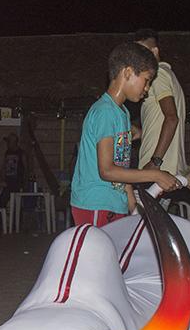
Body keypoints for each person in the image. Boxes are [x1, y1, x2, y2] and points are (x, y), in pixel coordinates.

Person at [70, 42, 179, 227]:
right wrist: (156, 175)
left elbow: (122, 168)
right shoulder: (105, 112)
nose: (147, 89)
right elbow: (107, 171)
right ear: (128, 72)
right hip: (96, 203)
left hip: (114, 204)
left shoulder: (123, 114)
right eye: (146, 80)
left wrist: (133, 207)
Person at [133, 29, 187, 176]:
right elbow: (163, 120)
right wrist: (143, 133)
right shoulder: (168, 74)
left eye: (143, 52)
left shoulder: (158, 75)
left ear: (155, 51)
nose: (138, 58)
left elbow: (171, 118)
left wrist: (155, 162)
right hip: (169, 168)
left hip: (159, 170)